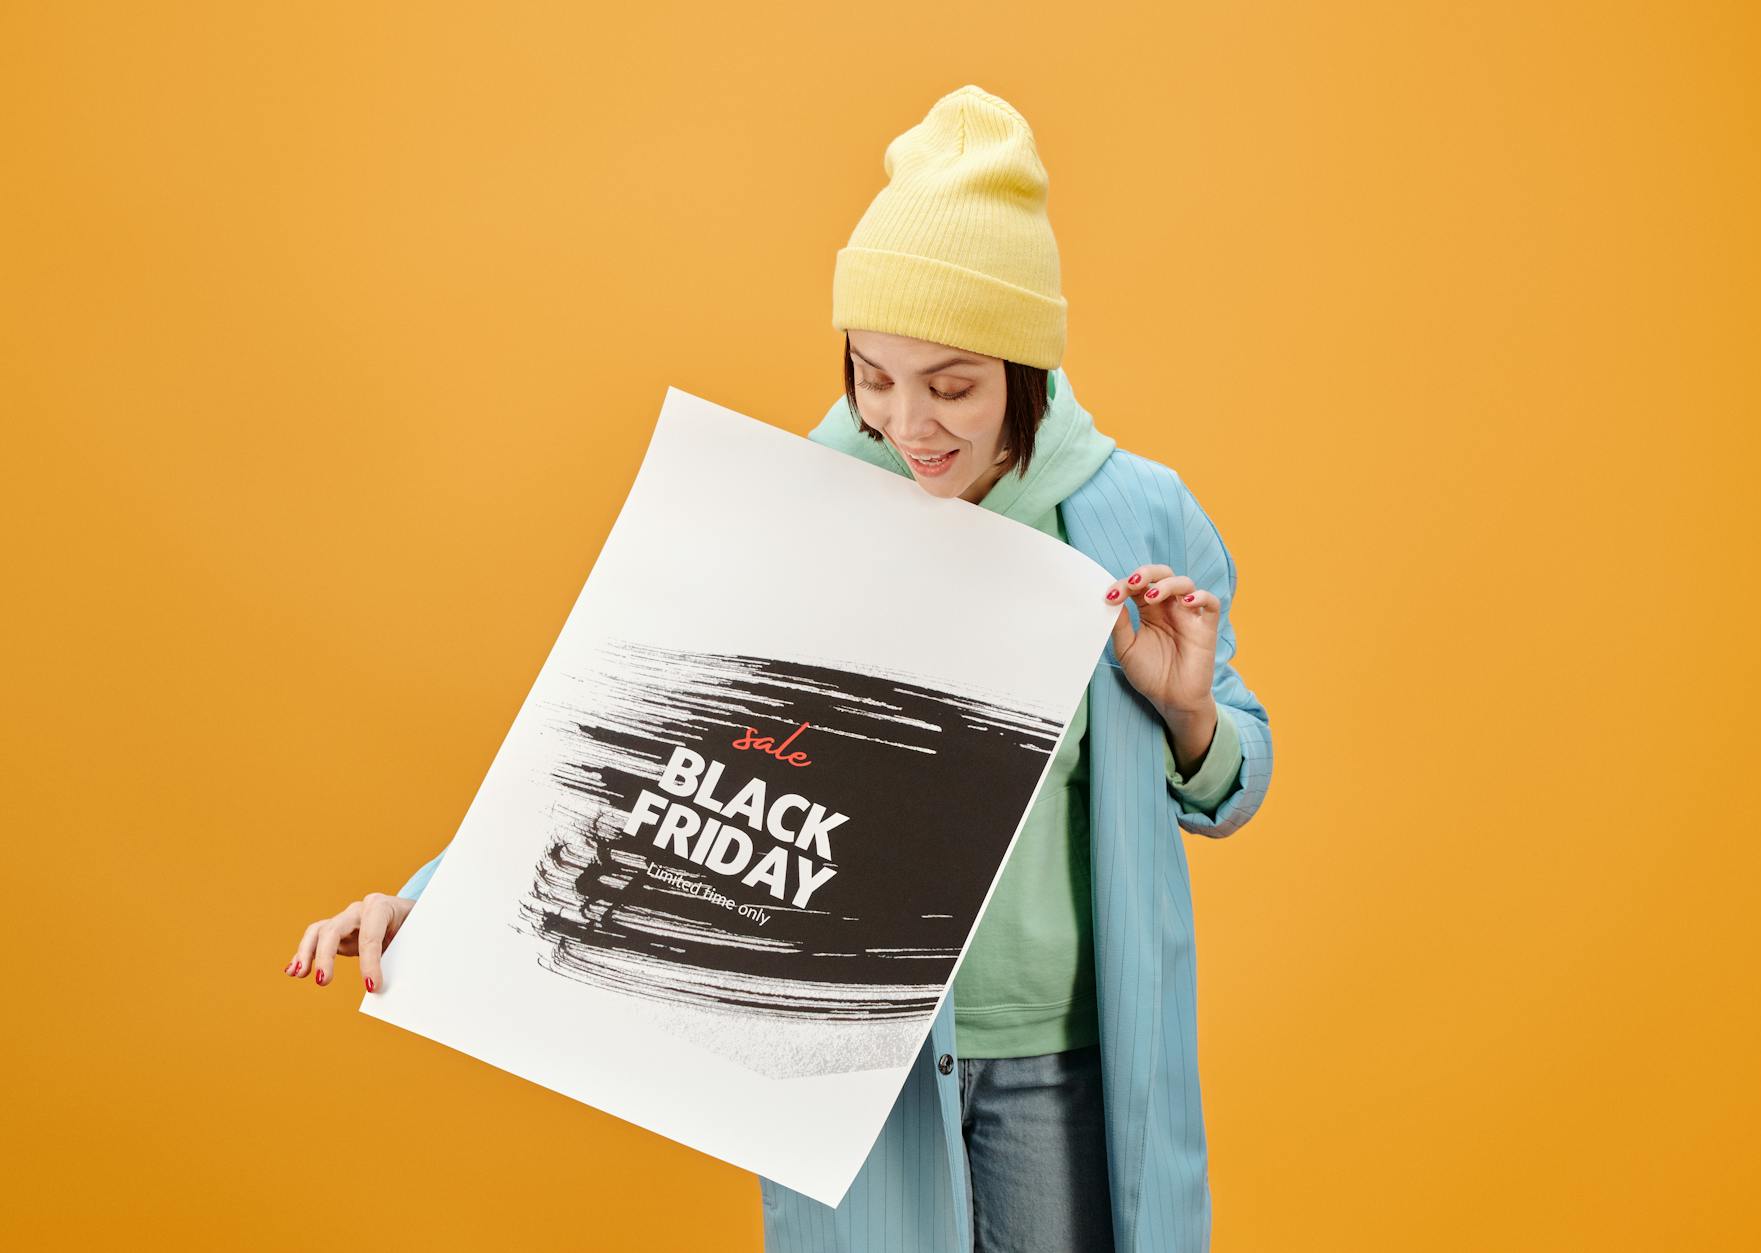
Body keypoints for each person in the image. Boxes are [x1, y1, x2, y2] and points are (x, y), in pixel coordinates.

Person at [282, 84, 1274, 1253]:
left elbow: (1231, 782)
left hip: (1070, 1052)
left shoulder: (1129, 516)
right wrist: (432, 904)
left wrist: (1190, 710)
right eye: (873, 374)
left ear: (1025, 370)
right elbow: (640, 752)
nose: (909, 421)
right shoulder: (795, 505)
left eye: (951, 383)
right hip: (865, 1063)